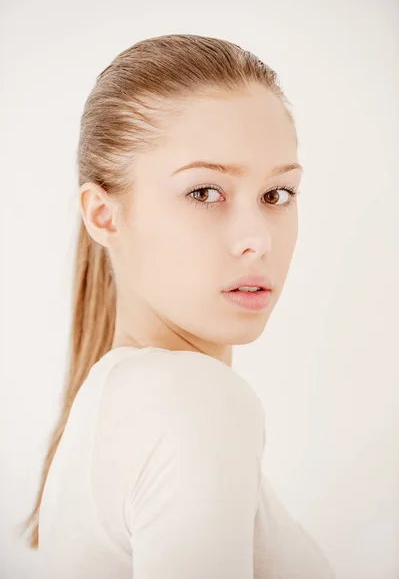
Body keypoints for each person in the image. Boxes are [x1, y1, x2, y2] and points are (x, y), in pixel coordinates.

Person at [19, 33, 335, 578]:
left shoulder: (118, 402)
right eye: (205, 192)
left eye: (277, 194)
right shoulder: (191, 399)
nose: (256, 238)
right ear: (103, 215)